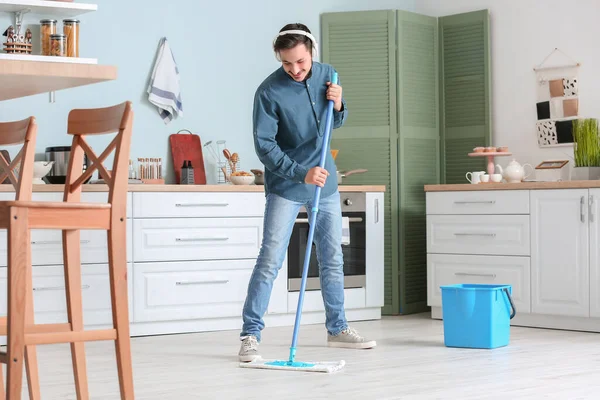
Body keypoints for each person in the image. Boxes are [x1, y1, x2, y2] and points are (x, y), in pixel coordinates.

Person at [238, 23, 376, 362]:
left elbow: (334, 122)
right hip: (287, 185)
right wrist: (302, 172)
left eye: (300, 61)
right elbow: (264, 146)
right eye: (287, 64)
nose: (296, 70)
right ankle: (250, 335)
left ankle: (338, 328)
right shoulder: (268, 92)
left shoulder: (329, 74)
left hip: (325, 184)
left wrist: (340, 104)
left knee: (332, 257)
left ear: (311, 52)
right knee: (270, 259)